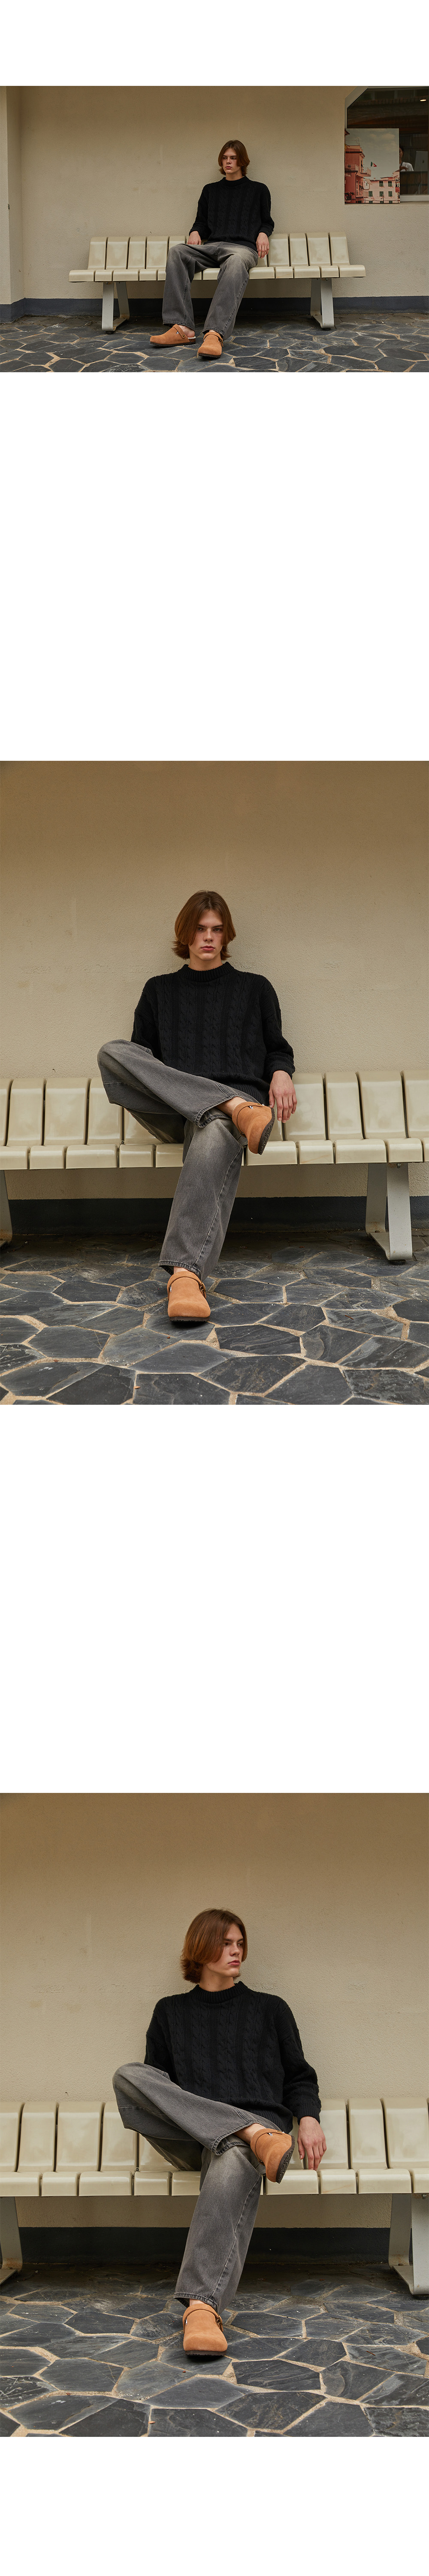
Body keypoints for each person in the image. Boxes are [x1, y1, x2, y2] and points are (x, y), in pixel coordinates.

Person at [114, 1909, 326, 2359]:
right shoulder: (169, 2012)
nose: (236, 1952)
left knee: (232, 2156)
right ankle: (251, 2133)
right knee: (129, 2077)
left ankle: (201, 2308)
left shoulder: (271, 2009)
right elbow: (158, 2091)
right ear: (200, 1948)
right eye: (226, 1943)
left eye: (240, 1943)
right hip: (195, 2137)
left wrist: (308, 2117)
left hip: (253, 2133)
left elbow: (299, 2076)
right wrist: (241, 2126)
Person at [98, 889, 296, 1324]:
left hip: (222, 1117)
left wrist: (282, 1072)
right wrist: (226, 1101)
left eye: (216, 930)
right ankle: (234, 1106)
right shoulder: (158, 991)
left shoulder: (256, 989)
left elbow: (277, 1049)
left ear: (226, 935)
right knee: (113, 1053)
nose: (208, 938)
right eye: (200, 929)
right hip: (176, 1109)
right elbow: (142, 1064)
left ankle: (185, 1276)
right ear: (185, 933)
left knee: (214, 1130)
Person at [150, 138, 274, 359]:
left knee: (236, 263)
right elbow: (201, 223)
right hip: (213, 247)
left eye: (233, 158)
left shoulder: (259, 190)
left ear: (242, 161)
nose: (228, 162)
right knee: (177, 252)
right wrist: (196, 232)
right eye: (225, 158)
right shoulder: (210, 191)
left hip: (242, 249)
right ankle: (182, 328)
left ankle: (215, 334)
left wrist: (264, 233)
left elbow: (267, 222)